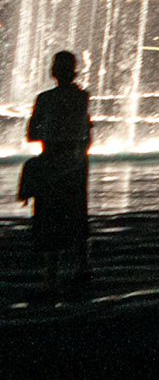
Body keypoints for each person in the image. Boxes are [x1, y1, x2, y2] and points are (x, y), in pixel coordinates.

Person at [20, 50, 92, 290]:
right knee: (75, 214)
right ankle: (82, 267)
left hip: (50, 160)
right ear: (74, 72)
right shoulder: (82, 97)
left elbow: (32, 134)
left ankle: (50, 276)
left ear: (53, 72)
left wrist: (51, 130)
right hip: (75, 162)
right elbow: (86, 135)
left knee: (49, 217)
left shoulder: (44, 99)